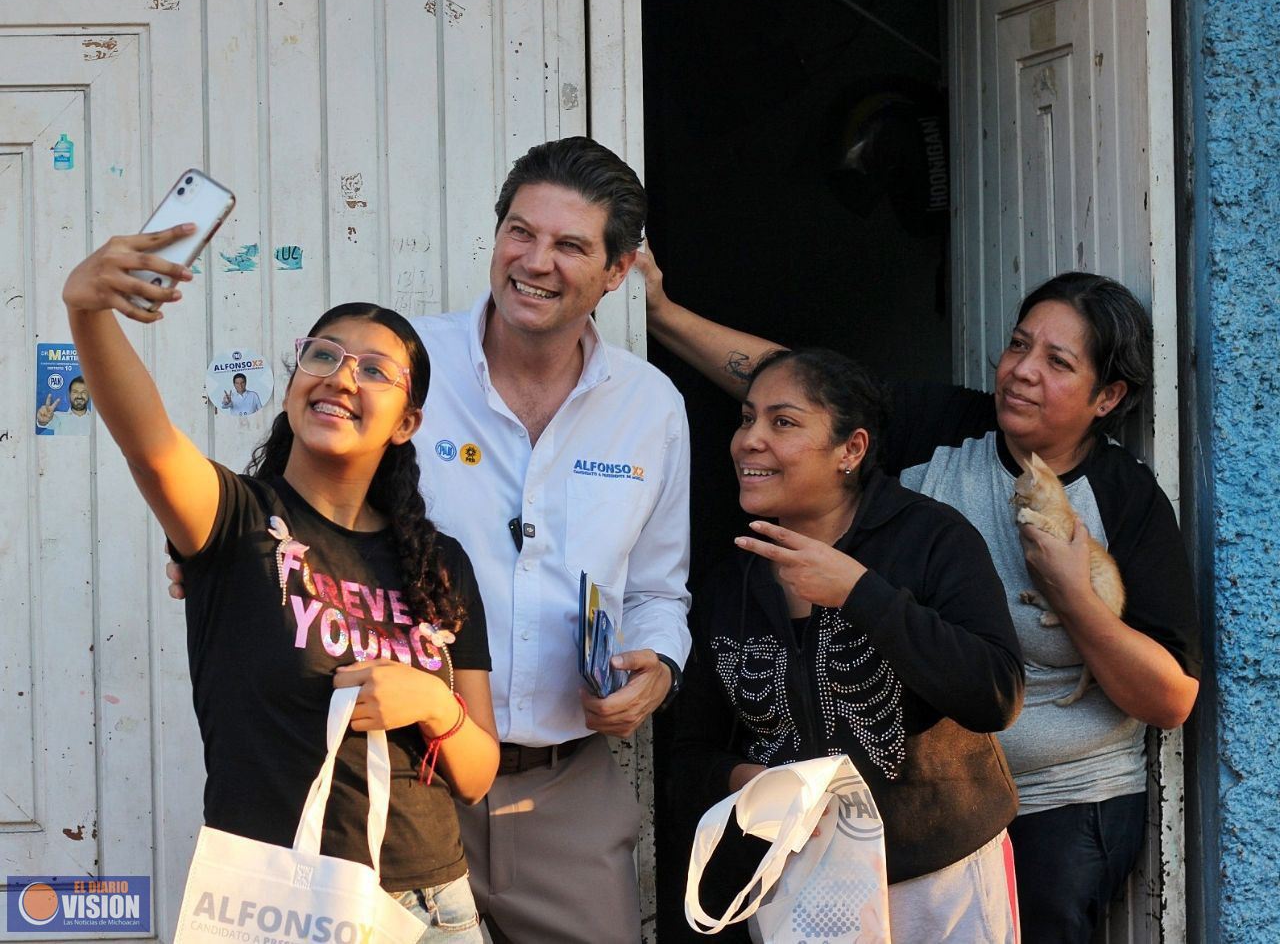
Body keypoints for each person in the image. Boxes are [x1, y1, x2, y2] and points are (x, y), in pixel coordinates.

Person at [169, 137, 692, 943]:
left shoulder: (650, 407)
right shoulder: (406, 366)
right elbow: (301, 495)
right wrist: (216, 560)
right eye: (521, 231)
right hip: (392, 791)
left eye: (570, 245)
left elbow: (661, 589)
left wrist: (655, 666)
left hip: (562, 793)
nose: (535, 261)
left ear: (617, 271)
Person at [642, 254, 1201, 943]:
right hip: (881, 820)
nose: (1023, 369)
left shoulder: (1123, 496)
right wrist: (661, 314)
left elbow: (1170, 698)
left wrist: (1071, 594)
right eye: (1019, 345)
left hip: (1059, 803)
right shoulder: (948, 431)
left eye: (1058, 362)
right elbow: (811, 391)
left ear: (1107, 397)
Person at [62, 231, 500, 942]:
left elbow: (478, 773)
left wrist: (433, 701)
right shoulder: (233, 523)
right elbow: (148, 441)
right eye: (322, 355)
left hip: (429, 905)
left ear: (407, 423)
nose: (341, 376)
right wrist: (88, 314)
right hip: (274, 905)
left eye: (375, 370)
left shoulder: (439, 566)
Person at [674, 347, 1024, 942]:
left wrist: (860, 593)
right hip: (797, 883)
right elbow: (688, 756)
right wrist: (748, 781)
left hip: (943, 881)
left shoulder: (932, 539)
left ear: (851, 450)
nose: (749, 440)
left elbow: (995, 694)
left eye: (782, 422)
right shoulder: (729, 582)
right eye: (746, 418)